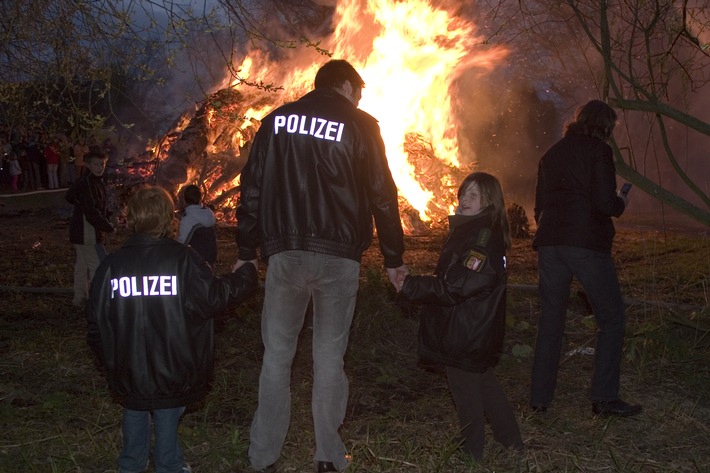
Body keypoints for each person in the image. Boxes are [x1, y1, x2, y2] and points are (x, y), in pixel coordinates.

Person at [235, 59, 408, 473]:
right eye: (359, 92)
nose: (360, 99)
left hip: (285, 253)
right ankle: (328, 456)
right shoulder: (362, 125)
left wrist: (245, 250)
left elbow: (252, 190)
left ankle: (263, 456)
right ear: (346, 85)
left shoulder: (276, 122)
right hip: (338, 259)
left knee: (277, 356)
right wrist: (394, 259)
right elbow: (383, 196)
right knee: (330, 360)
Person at [86, 185, 258, 473]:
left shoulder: (111, 267)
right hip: (175, 368)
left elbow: (95, 324)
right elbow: (215, 297)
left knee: (134, 411)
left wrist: (112, 361)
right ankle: (169, 466)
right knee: (166, 415)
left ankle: (131, 465)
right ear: (168, 218)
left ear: (132, 219)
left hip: (129, 371)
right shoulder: (183, 260)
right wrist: (248, 272)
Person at [398, 172, 524, 461]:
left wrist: (411, 285)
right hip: (472, 328)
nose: (464, 200)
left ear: (488, 202)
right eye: (463, 193)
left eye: (473, 195)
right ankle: (513, 444)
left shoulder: (481, 238)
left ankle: (471, 457)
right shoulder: (474, 230)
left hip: (465, 332)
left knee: (466, 394)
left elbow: (457, 285)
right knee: (486, 385)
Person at [529, 99, 642, 417]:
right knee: (612, 319)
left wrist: (554, 231)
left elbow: (539, 207)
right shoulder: (599, 151)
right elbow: (606, 203)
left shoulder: (550, 154)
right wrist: (621, 200)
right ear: (605, 126)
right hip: (587, 246)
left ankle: (540, 399)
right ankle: (604, 398)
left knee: (550, 322)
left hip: (550, 244)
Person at [65, 150, 115, 307]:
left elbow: (95, 205)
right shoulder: (87, 183)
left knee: (82, 265)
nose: (100, 167)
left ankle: (79, 298)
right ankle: (98, 301)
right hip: (88, 232)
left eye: (102, 164)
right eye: (96, 164)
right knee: (99, 266)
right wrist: (108, 227)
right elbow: (91, 211)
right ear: (87, 164)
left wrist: (108, 215)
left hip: (82, 230)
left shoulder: (93, 181)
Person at [177, 184, 217, 268]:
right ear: (200, 199)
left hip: (193, 262)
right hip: (210, 260)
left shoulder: (188, 219)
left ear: (184, 200)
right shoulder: (209, 214)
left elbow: (181, 243)